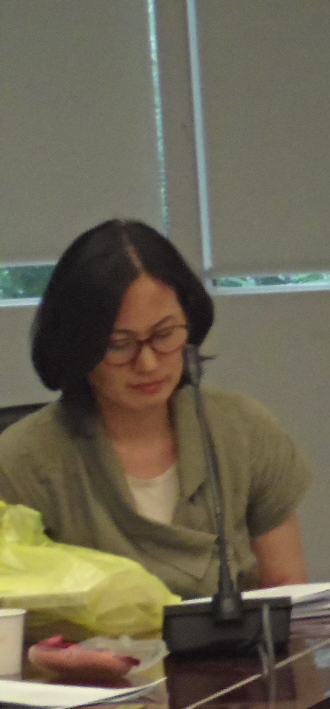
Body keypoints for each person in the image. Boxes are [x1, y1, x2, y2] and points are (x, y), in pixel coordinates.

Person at [0, 220, 310, 596]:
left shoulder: (244, 430)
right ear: (78, 345)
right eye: (119, 344)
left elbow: (286, 590)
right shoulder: (21, 463)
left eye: (164, 335)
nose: (147, 364)